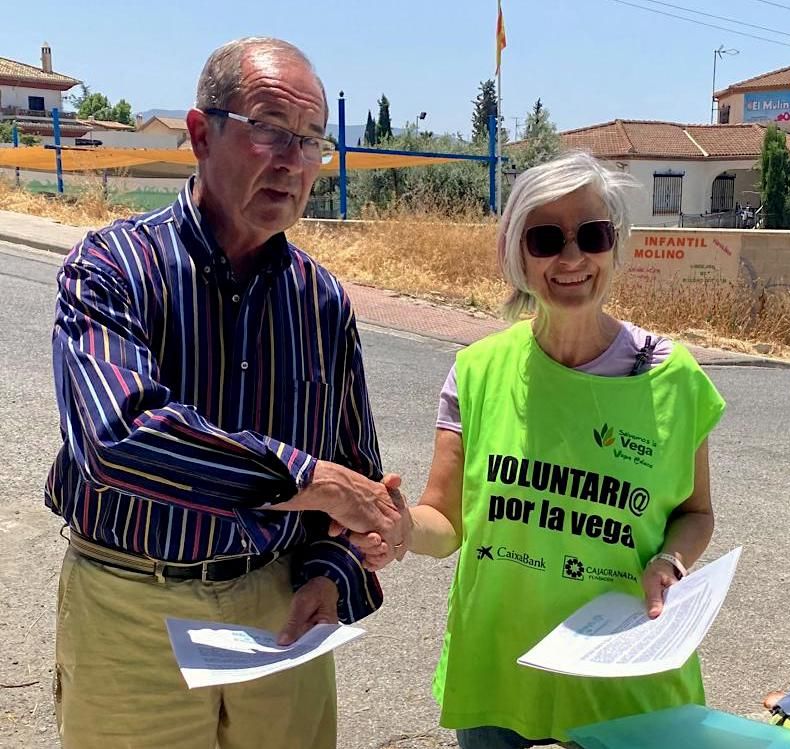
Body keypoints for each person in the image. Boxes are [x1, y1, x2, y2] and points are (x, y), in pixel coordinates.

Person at [46, 37, 405, 749]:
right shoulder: (113, 267)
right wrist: (311, 479)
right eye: (270, 129)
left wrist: (332, 572)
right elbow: (119, 440)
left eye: (311, 142)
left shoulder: (322, 300)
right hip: (131, 605)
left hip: (278, 610)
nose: (293, 160)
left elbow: (357, 475)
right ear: (201, 134)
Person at [355, 151, 726, 748]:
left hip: (623, 671)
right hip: (501, 670)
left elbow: (695, 513)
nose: (572, 258)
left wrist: (670, 564)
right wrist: (400, 529)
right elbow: (445, 521)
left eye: (593, 235)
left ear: (616, 244)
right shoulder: (476, 372)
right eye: (547, 237)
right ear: (517, 255)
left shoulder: (673, 379)